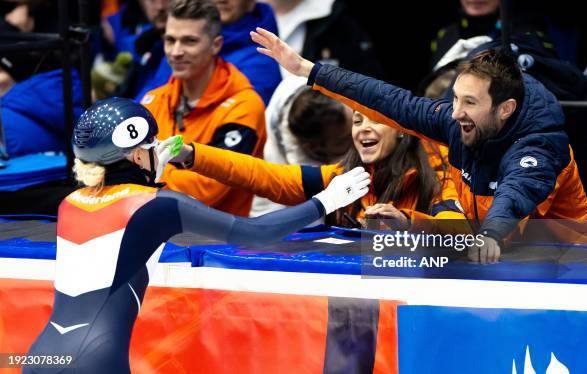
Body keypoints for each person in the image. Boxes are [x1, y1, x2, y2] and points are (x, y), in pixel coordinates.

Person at [24, 97, 370, 373]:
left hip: (38, 356)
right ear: (134, 152)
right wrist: (325, 201)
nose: (157, 150)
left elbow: (116, 210)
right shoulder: (158, 205)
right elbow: (256, 233)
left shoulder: (68, 204)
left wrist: (154, 171)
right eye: (151, 144)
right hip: (96, 360)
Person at [250, 27, 587, 263]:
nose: (455, 114)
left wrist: (489, 235)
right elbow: (389, 100)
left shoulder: (541, 146)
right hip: (505, 262)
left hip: (577, 273)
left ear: (505, 109)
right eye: (454, 99)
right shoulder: (461, 122)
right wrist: (309, 71)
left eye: (469, 103)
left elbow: (513, 195)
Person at [157, 110, 466, 230]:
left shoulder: (437, 175)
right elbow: (260, 175)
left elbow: (459, 234)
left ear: (402, 130)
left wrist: (408, 223)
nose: (363, 130)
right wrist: (190, 154)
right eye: (357, 121)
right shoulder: (338, 178)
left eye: (374, 120)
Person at [141, 0, 266, 216]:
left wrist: (141, 172)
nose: (176, 51)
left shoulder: (244, 106)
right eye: (170, 40)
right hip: (157, 232)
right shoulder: (154, 100)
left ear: (216, 45)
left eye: (189, 41)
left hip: (219, 242)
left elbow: (207, 190)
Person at [136, 0, 283, 104]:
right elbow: (145, 102)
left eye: (190, 41)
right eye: (171, 40)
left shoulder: (261, 60)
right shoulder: (177, 45)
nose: (221, 0)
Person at [250, 76, 353, 216]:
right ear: (313, 148)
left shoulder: (312, 80)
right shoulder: (280, 187)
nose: (358, 135)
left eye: (356, 119)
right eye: (344, 140)